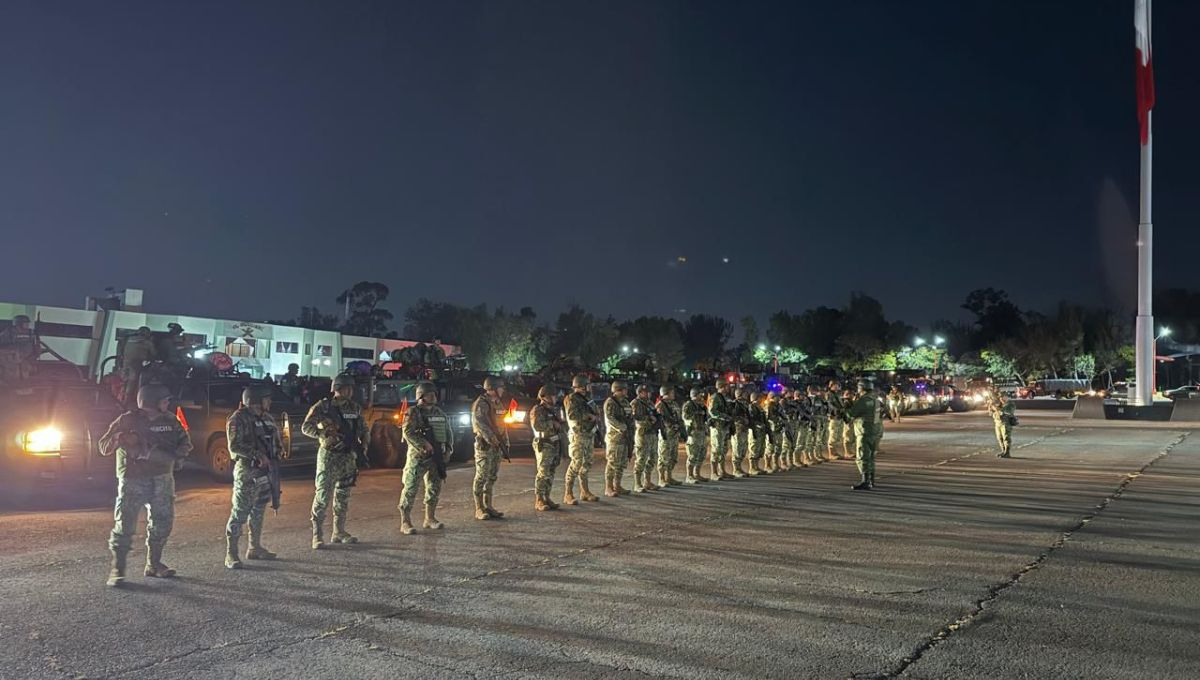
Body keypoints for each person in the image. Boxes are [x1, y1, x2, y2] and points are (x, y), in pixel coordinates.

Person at [98, 384, 193, 587]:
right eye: (164, 400)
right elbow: (103, 446)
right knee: (124, 525)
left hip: (162, 479)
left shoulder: (171, 420)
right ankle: (118, 569)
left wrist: (177, 456)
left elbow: (185, 442)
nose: (168, 403)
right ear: (152, 402)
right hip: (133, 479)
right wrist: (120, 437)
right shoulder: (127, 420)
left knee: (163, 522)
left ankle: (154, 564)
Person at [303, 374, 367, 549]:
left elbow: (363, 428)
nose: (351, 391)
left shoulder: (355, 408)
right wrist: (322, 434)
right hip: (329, 456)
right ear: (339, 388)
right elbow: (306, 427)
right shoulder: (323, 406)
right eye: (348, 388)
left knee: (343, 496)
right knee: (323, 495)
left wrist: (364, 446)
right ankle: (317, 535)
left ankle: (339, 532)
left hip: (347, 457)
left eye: (352, 388)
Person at [224, 384, 283, 569]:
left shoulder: (267, 418)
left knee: (258, 511)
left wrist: (278, 451)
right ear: (256, 400)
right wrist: (257, 455)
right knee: (240, 513)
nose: (270, 402)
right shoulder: (238, 419)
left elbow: (275, 440)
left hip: (266, 473)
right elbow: (234, 446)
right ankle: (231, 554)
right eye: (267, 398)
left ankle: (254, 548)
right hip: (248, 473)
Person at [399, 381, 453, 533]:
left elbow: (448, 433)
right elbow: (408, 433)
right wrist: (424, 444)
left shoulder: (439, 413)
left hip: (436, 458)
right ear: (421, 396)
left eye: (434, 394)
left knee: (434, 488)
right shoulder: (413, 412)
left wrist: (448, 450)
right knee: (410, 488)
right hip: (418, 457)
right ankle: (405, 522)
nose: (434, 397)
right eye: (430, 394)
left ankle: (430, 518)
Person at [471, 376, 509, 520]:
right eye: (501, 387)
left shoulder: (498, 403)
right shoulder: (481, 403)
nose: (503, 390)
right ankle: (479, 508)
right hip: (485, 445)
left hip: (497, 445)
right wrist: (491, 438)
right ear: (492, 388)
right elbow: (479, 423)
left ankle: (489, 506)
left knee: (492, 476)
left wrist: (505, 441)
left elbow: (503, 423)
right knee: (481, 476)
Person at [562, 374, 600, 505]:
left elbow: (596, 411)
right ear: (582, 386)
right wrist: (588, 416)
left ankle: (585, 491)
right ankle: (568, 494)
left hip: (589, 434)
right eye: (587, 385)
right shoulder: (571, 399)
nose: (589, 387)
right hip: (578, 435)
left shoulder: (587, 398)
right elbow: (572, 415)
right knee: (576, 463)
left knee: (587, 462)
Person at [529, 385, 564, 511]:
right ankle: (539, 499)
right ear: (545, 397)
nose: (555, 398)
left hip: (555, 442)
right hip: (544, 443)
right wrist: (552, 424)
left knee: (551, 472)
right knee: (543, 472)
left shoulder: (554, 410)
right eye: (552, 395)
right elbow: (537, 425)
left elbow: (562, 424)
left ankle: (547, 497)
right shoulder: (538, 410)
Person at [847, 380, 884, 490]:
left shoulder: (863, 401)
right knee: (871, 457)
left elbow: (851, 414)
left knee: (862, 457)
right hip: (874, 431)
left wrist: (849, 404)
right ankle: (871, 480)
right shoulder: (876, 401)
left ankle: (865, 481)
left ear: (861, 388)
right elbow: (877, 417)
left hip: (863, 432)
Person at [603, 381, 633, 496]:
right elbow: (610, 419)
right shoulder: (610, 402)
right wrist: (622, 428)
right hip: (615, 438)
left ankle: (617, 485)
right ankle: (608, 487)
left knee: (621, 463)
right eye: (624, 389)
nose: (626, 391)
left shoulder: (625, 402)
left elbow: (630, 416)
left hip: (625, 438)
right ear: (618, 390)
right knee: (612, 462)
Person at [630, 384, 660, 493]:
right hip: (642, 434)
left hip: (652, 433)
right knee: (641, 458)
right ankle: (637, 483)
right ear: (640, 392)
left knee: (652, 458)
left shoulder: (650, 403)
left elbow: (655, 414)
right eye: (647, 392)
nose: (649, 394)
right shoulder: (635, 403)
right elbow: (634, 418)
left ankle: (647, 481)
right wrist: (648, 418)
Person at [119, 327, 157, 407]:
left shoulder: (129, 339)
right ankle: (127, 403)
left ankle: (121, 400)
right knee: (133, 383)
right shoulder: (148, 342)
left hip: (125, 365)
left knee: (124, 382)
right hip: (136, 366)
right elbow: (154, 354)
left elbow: (122, 350)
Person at [656, 385, 684, 487]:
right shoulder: (660, 405)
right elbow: (661, 419)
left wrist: (680, 427)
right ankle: (662, 478)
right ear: (666, 393)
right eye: (672, 393)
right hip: (666, 434)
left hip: (674, 435)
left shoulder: (675, 404)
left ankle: (669, 477)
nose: (674, 394)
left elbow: (679, 417)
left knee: (673, 457)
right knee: (664, 457)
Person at [681, 387, 710, 484]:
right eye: (699, 394)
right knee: (693, 455)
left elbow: (706, 417)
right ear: (695, 395)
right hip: (693, 433)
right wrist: (697, 413)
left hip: (702, 432)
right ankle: (689, 476)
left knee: (701, 454)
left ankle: (697, 473)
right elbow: (685, 418)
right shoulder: (688, 405)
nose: (701, 396)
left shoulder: (702, 405)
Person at [707, 380, 734, 480]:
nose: (729, 388)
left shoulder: (724, 398)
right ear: (722, 386)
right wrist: (725, 417)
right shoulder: (715, 397)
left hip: (724, 427)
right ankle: (714, 472)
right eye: (727, 386)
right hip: (717, 427)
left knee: (723, 449)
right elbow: (712, 411)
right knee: (716, 449)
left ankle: (722, 471)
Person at [0, 314, 37, 381]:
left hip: (26, 358)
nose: (27, 325)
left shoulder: (30, 332)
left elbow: (35, 346)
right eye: (25, 323)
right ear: (18, 323)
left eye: (27, 323)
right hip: (11, 358)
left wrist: (35, 354)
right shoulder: (9, 331)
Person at [730, 387, 751, 477]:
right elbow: (733, 416)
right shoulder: (735, 404)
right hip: (738, 429)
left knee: (743, 448)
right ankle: (736, 469)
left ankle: (739, 468)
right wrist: (742, 420)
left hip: (744, 429)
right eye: (745, 394)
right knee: (737, 448)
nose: (747, 395)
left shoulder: (745, 404)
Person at [988, 390, 1017, 458]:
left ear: (1006, 397)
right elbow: (991, 413)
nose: (1001, 399)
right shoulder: (999, 404)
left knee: (1006, 438)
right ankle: (1003, 451)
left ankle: (1007, 452)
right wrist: (990, 405)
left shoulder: (1010, 404)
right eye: (1000, 397)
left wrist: (996, 408)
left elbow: (1006, 411)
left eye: (1003, 397)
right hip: (997, 423)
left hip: (1005, 423)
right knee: (999, 438)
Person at [747, 387, 769, 474]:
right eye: (760, 397)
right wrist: (758, 425)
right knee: (754, 448)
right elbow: (751, 419)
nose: (761, 399)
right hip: (755, 430)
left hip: (761, 431)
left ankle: (757, 466)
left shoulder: (760, 407)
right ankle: (752, 467)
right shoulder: (751, 407)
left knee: (760, 448)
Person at [765, 390, 788, 472]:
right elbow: (768, 418)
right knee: (770, 448)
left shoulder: (778, 406)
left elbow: (783, 415)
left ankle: (775, 464)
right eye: (776, 397)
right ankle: (767, 465)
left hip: (779, 428)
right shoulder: (769, 406)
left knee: (778, 447)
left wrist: (783, 421)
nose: (778, 398)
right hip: (772, 429)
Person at [826, 380, 846, 461]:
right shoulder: (829, 394)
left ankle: (836, 451)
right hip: (833, 416)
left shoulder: (837, 394)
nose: (837, 386)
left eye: (838, 385)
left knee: (838, 435)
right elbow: (829, 404)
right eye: (835, 385)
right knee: (833, 434)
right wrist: (836, 410)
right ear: (831, 386)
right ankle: (831, 453)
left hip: (839, 416)